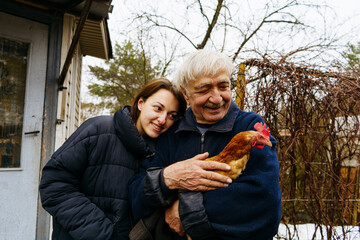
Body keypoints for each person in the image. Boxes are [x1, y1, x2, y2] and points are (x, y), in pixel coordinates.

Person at [129, 49, 282, 240]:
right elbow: (135, 193)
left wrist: (186, 210)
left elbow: (265, 202)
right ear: (186, 94)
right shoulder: (170, 132)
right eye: (204, 89)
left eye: (223, 86)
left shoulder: (249, 128)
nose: (217, 98)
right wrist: (167, 178)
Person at [39, 78, 187, 240]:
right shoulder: (98, 130)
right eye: (158, 108)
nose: (163, 119)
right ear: (141, 103)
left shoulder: (163, 152)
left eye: (172, 116)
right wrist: (102, 234)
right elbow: (54, 185)